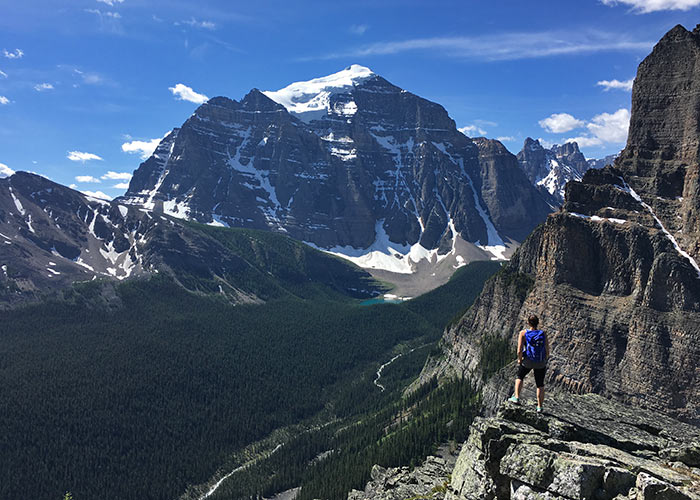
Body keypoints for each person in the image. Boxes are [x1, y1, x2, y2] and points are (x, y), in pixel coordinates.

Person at [508, 314, 550, 413]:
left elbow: (519, 350)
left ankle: (516, 397)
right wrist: (545, 359)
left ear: (528, 323)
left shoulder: (523, 333)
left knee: (520, 377)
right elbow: (547, 349)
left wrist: (520, 359)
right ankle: (539, 407)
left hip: (528, 361)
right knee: (540, 384)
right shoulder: (543, 333)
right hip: (540, 361)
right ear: (538, 323)